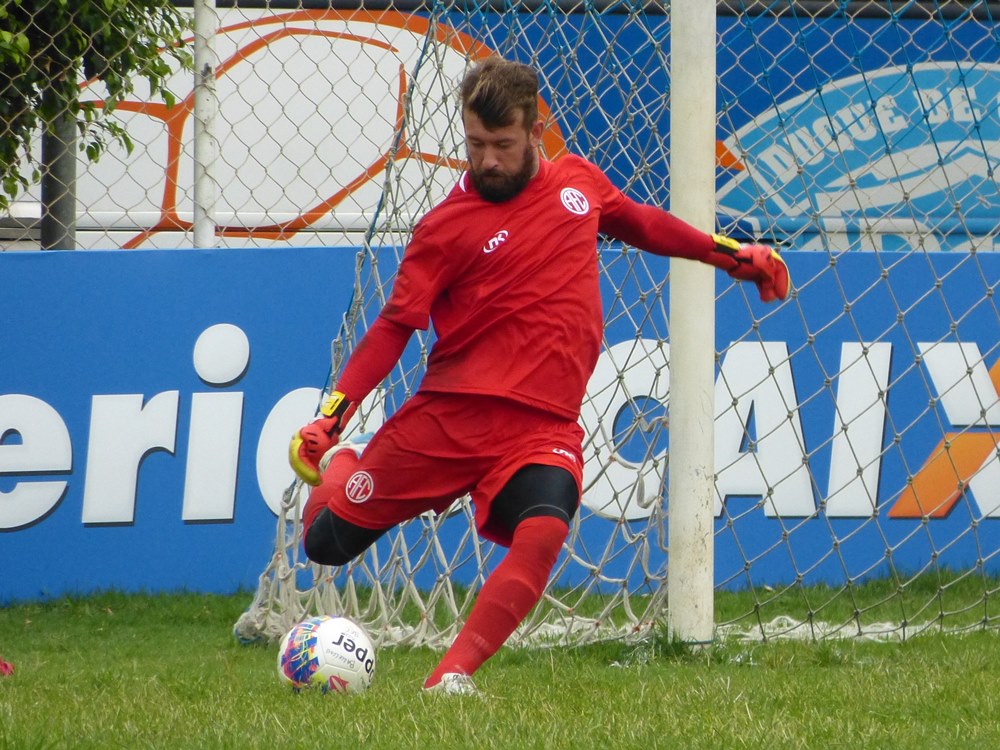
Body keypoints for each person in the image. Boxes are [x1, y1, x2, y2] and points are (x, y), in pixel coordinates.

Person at [289, 57, 789, 695]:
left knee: (547, 526)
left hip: (542, 427)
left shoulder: (577, 184)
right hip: (448, 418)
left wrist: (730, 254)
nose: (489, 160)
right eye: (475, 145)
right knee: (326, 544)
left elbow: (641, 222)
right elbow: (393, 327)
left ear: (534, 131)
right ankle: (345, 467)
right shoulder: (443, 229)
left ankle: (448, 680)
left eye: (503, 145)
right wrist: (332, 417)